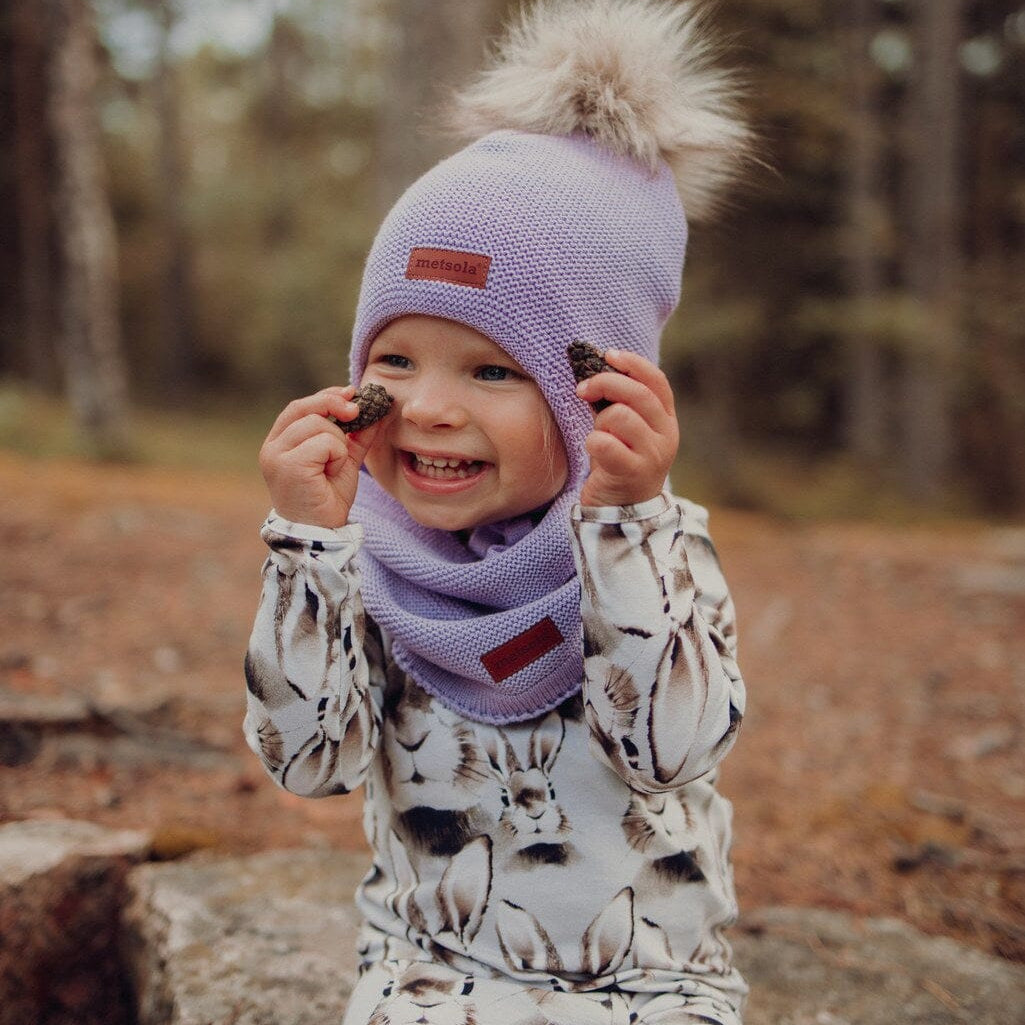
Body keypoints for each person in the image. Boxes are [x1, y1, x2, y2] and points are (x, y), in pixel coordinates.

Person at [245, 1, 751, 1021]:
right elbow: (310, 760)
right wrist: (307, 547)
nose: (427, 405)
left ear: (598, 386)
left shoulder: (646, 546)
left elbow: (673, 746)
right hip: (425, 971)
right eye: (394, 358)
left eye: (489, 367)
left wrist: (627, 522)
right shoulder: (375, 563)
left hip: (645, 981)